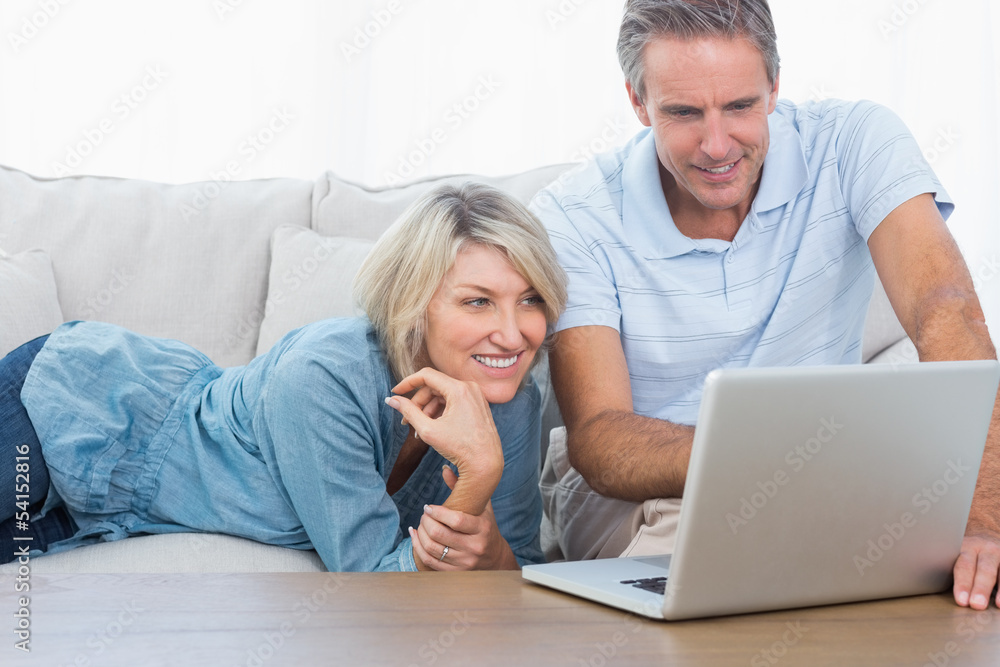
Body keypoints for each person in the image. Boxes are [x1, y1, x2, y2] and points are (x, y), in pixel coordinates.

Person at [531, 0, 1000, 610]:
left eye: (741, 106)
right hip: (652, 489)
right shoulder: (573, 214)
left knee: (939, 579)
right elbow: (599, 438)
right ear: (637, 101)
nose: (717, 144)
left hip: (832, 475)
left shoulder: (855, 140)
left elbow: (948, 312)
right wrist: (789, 461)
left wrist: (984, 518)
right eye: (683, 112)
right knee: (732, 583)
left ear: (775, 86)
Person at [0, 182, 568, 572]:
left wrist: (491, 554)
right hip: (80, 407)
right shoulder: (323, 377)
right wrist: (478, 478)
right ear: (414, 305)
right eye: (477, 302)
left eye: (530, 300)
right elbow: (376, 582)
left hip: (108, 509)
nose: (515, 335)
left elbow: (519, 575)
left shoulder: (510, 402)